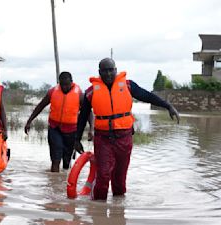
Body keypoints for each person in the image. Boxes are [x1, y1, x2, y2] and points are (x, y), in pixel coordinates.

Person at [74, 58, 180, 200]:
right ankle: (98, 212)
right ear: (100, 73)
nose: (108, 74)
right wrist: (76, 139)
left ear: (116, 70)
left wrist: (168, 106)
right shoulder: (91, 92)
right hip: (103, 138)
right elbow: (83, 117)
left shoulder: (128, 86)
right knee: (103, 175)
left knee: (119, 177)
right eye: (104, 71)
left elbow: (147, 96)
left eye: (111, 70)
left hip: (124, 137)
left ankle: (118, 211)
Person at [24, 71, 93, 172]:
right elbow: (40, 106)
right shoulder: (52, 92)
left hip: (71, 131)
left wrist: (91, 128)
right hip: (55, 129)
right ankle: (53, 184)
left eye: (67, 84)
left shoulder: (80, 95)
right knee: (56, 159)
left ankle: (62, 184)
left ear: (72, 82)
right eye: (62, 84)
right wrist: (29, 121)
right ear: (59, 83)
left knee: (66, 162)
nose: (64, 87)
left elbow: (88, 113)